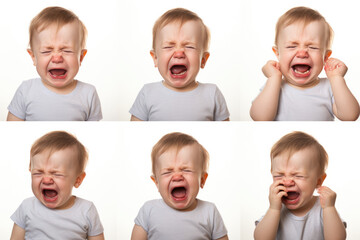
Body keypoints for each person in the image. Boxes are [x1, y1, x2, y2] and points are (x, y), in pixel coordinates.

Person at [250, 6, 359, 121]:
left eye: (313, 47)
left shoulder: (329, 87)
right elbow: (260, 118)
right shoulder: (274, 86)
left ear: (326, 57)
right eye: (292, 46)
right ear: (277, 53)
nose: (302, 53)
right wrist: (273, 78)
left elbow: (350, 116)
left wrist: (337, 78)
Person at [130, 8, 229, 121]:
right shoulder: (147, 93)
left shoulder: (212, 94)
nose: (179, 53)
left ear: (203, 60)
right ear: (155, 58)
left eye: (189, 46)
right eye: (168, 46)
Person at [7, 6, 102, 121]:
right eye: (46, 51)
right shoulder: (26, 90)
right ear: (33, 57)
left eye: (67, 51)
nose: (57, 58)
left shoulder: (88, 94)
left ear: (81, 57)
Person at [131, 132, 228, 240]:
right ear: (156, 182)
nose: (177, 177)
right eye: (167, 172)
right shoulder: (148, 210)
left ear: (202, 180)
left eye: (186, 170)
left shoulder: (210, 212)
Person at [10, 131, 104, 239]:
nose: (46, 179)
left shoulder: (86, 210)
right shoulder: (27, 207)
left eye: (57, 174)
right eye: (38, 172)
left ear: (77, 180)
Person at [254, 131, 346, 240]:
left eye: (298, 176)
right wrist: (273, 209)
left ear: (318, 181)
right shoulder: (276, 209)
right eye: (279, 175)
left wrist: (330, 208)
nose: (287, 182)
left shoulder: (323, 208)